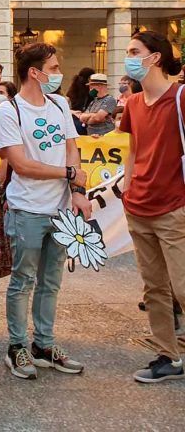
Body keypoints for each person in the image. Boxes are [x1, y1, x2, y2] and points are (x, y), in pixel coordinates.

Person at [0, 42, 90, 380]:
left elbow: (71, 148)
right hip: (27, 209)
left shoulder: (59, 103)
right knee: (23, 280)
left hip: (61, 209)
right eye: (52, 68)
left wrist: (76, 190)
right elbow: (20, 163)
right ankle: (17, 346)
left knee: (51, 280)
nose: (57, 73)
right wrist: (68, 174)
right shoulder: (8, 111)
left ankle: (44, 345)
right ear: (34, 72)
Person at [118, 31, 185, 384]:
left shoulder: (181, 97)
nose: (128, 56)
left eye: (134, 51)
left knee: (183, 286)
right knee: (154, 288)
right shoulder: (132, 104)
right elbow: (132, 150)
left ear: (155, 57)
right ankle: (168, 357)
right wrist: (128, 191)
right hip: (139, 206)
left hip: (175, 207)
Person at [66, 67, 95, 135]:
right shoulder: (91, 89)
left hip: (74, 117)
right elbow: (97, 98)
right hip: (85, 117)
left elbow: (67, 99)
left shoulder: (74, 87)